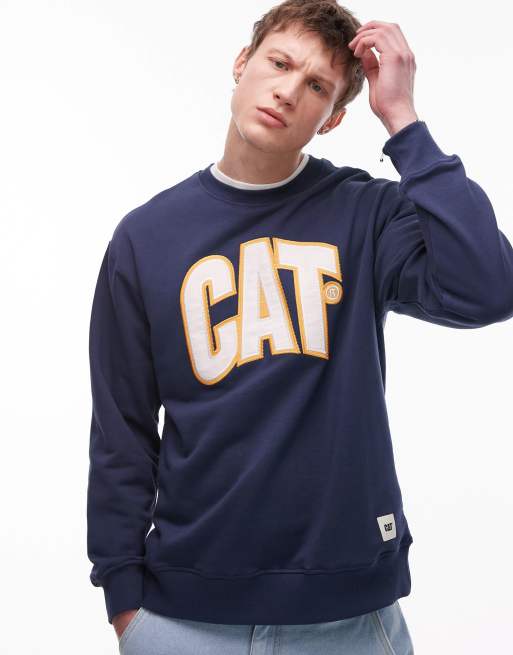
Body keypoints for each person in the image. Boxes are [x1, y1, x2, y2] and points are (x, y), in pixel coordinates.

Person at [86, 1, 513, 653]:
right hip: (182, 620)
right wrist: (123, 600)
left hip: (350, 620)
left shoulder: (366, 214)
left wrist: (402, 119)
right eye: (279, 63)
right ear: (243, 62)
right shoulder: (146, 237)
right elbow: (122, 430)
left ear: (333, 117)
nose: (288, 90)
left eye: (316, 85)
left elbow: (489, 286)